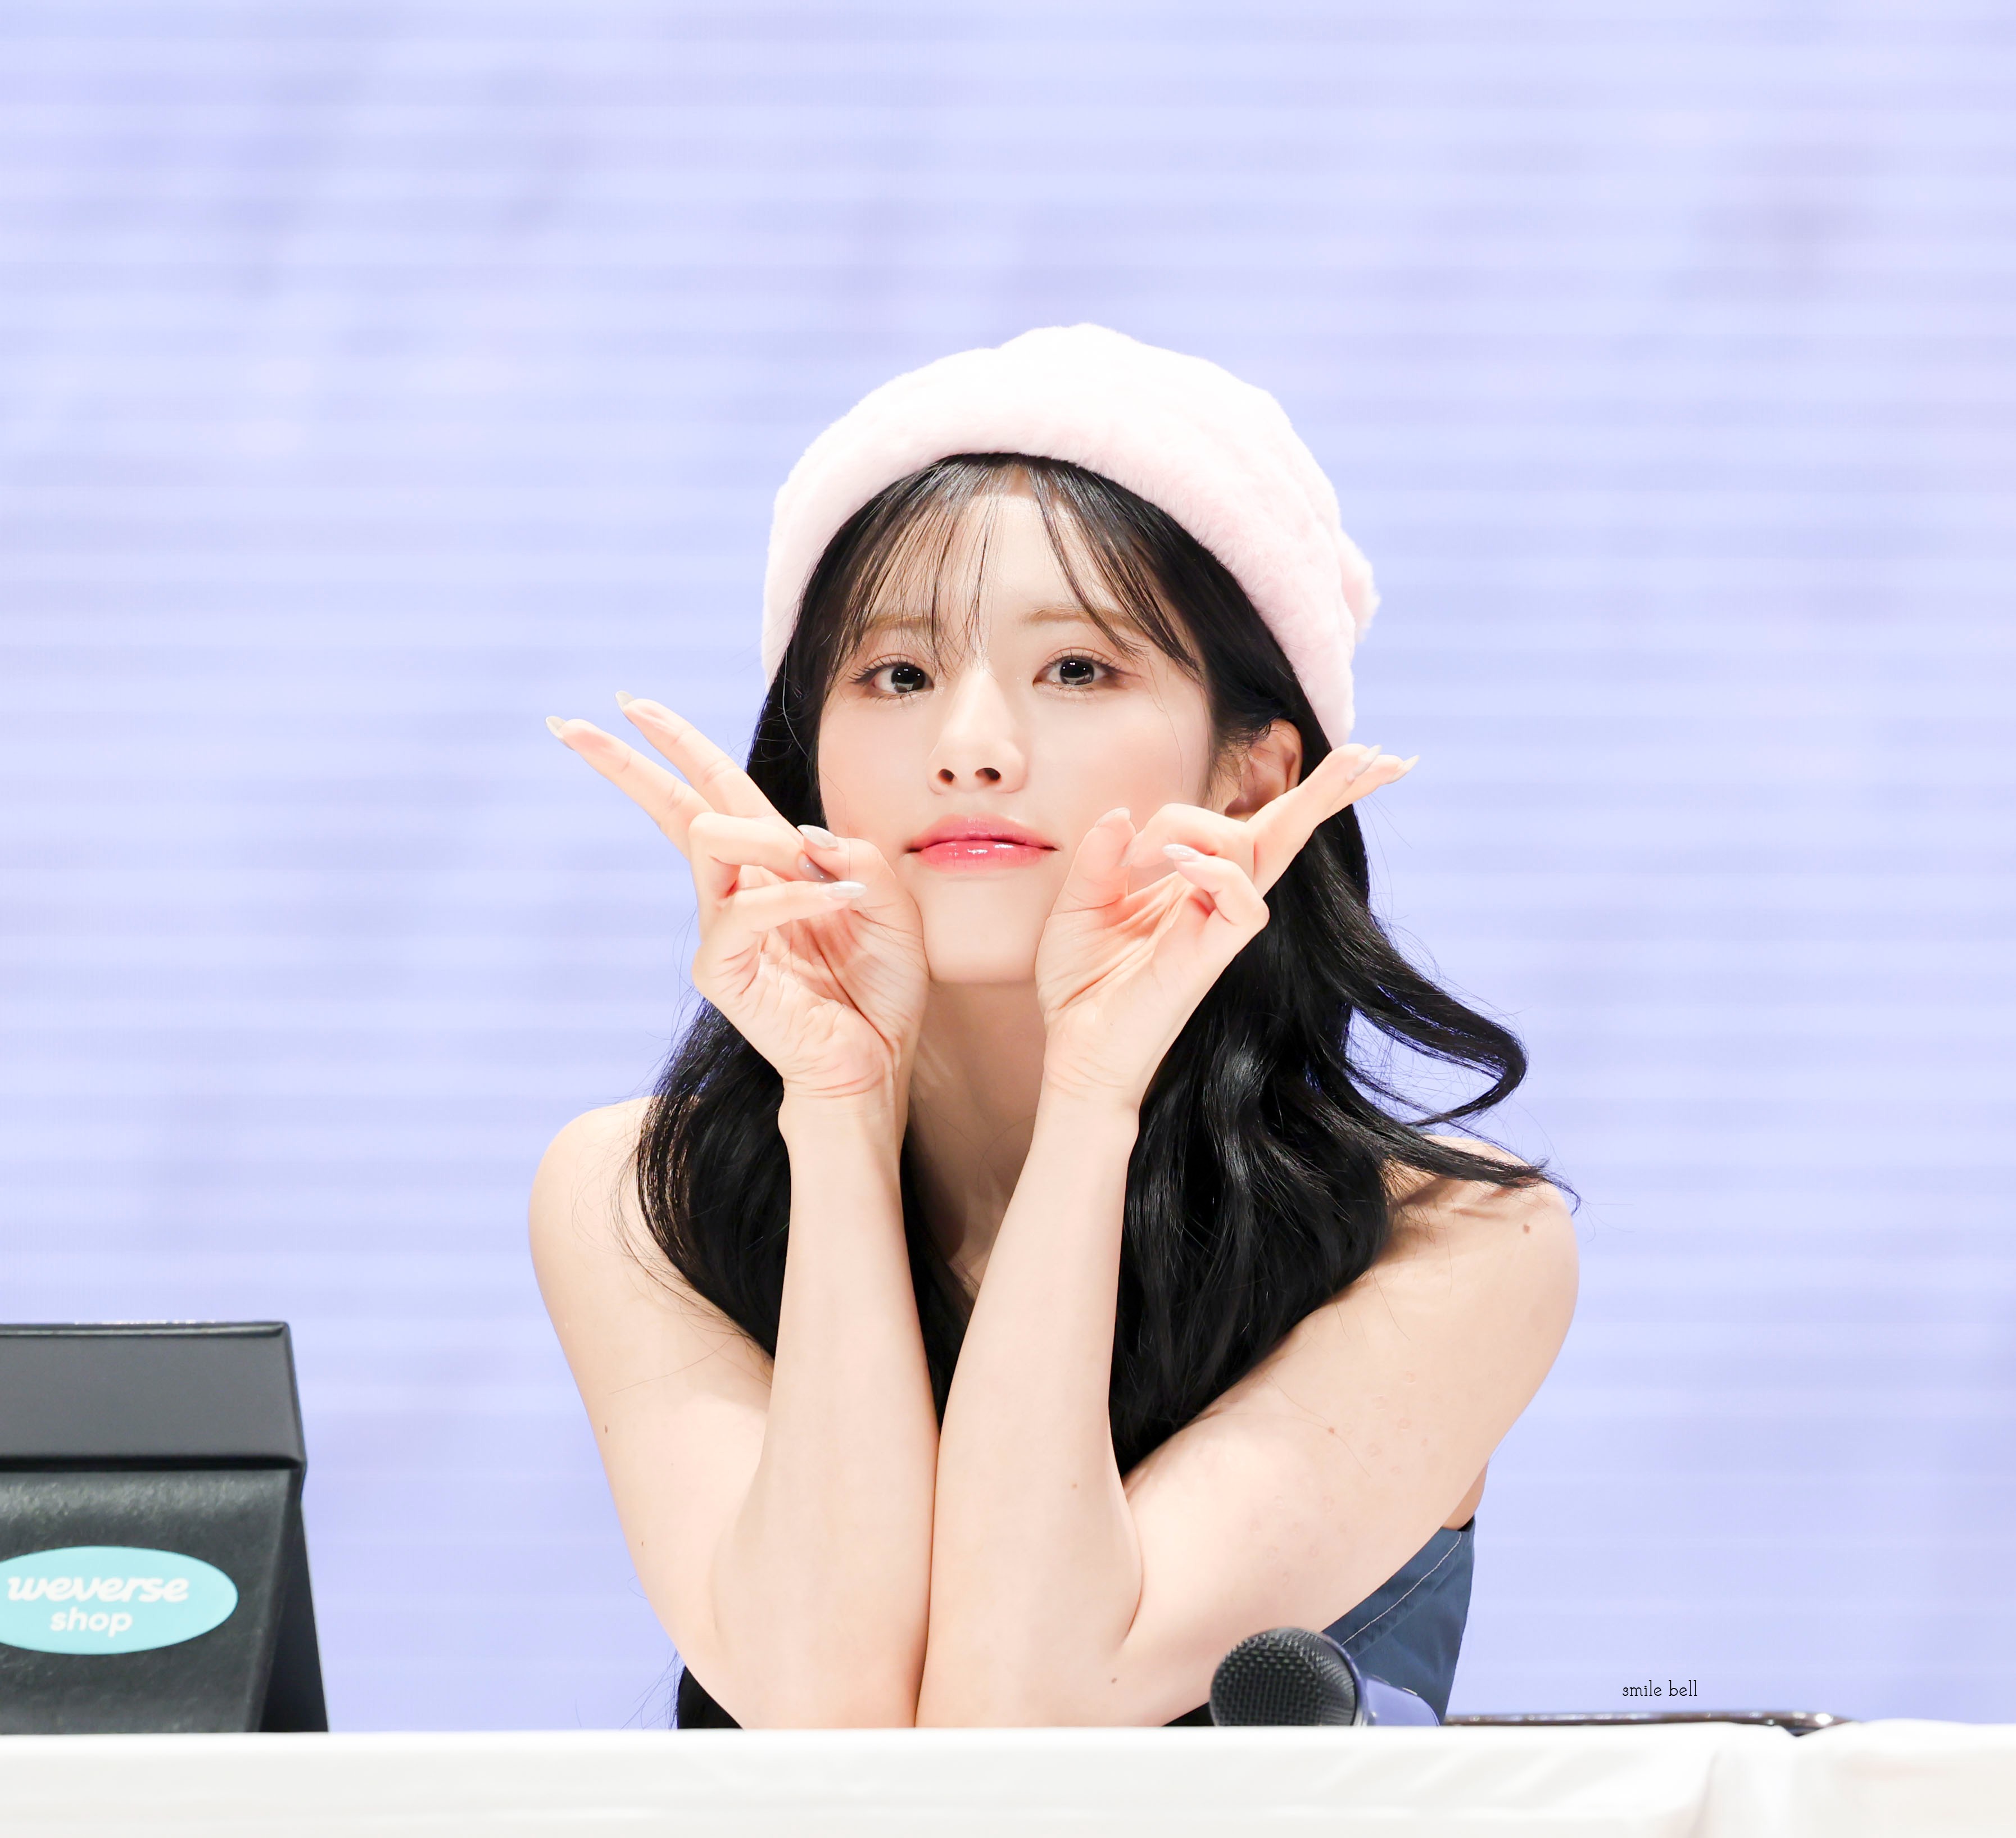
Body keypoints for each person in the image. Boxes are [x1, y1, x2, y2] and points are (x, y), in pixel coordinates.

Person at [530, 328, 1577, 1729]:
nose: (971, 746)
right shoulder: (632, 1191)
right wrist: (835, 1109)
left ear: (1254, 770)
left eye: (1077, 669)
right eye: (896, 674)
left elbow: (1023, 1712)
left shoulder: (1457, 1239)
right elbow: (822, 1716)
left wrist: (1095, 1099)